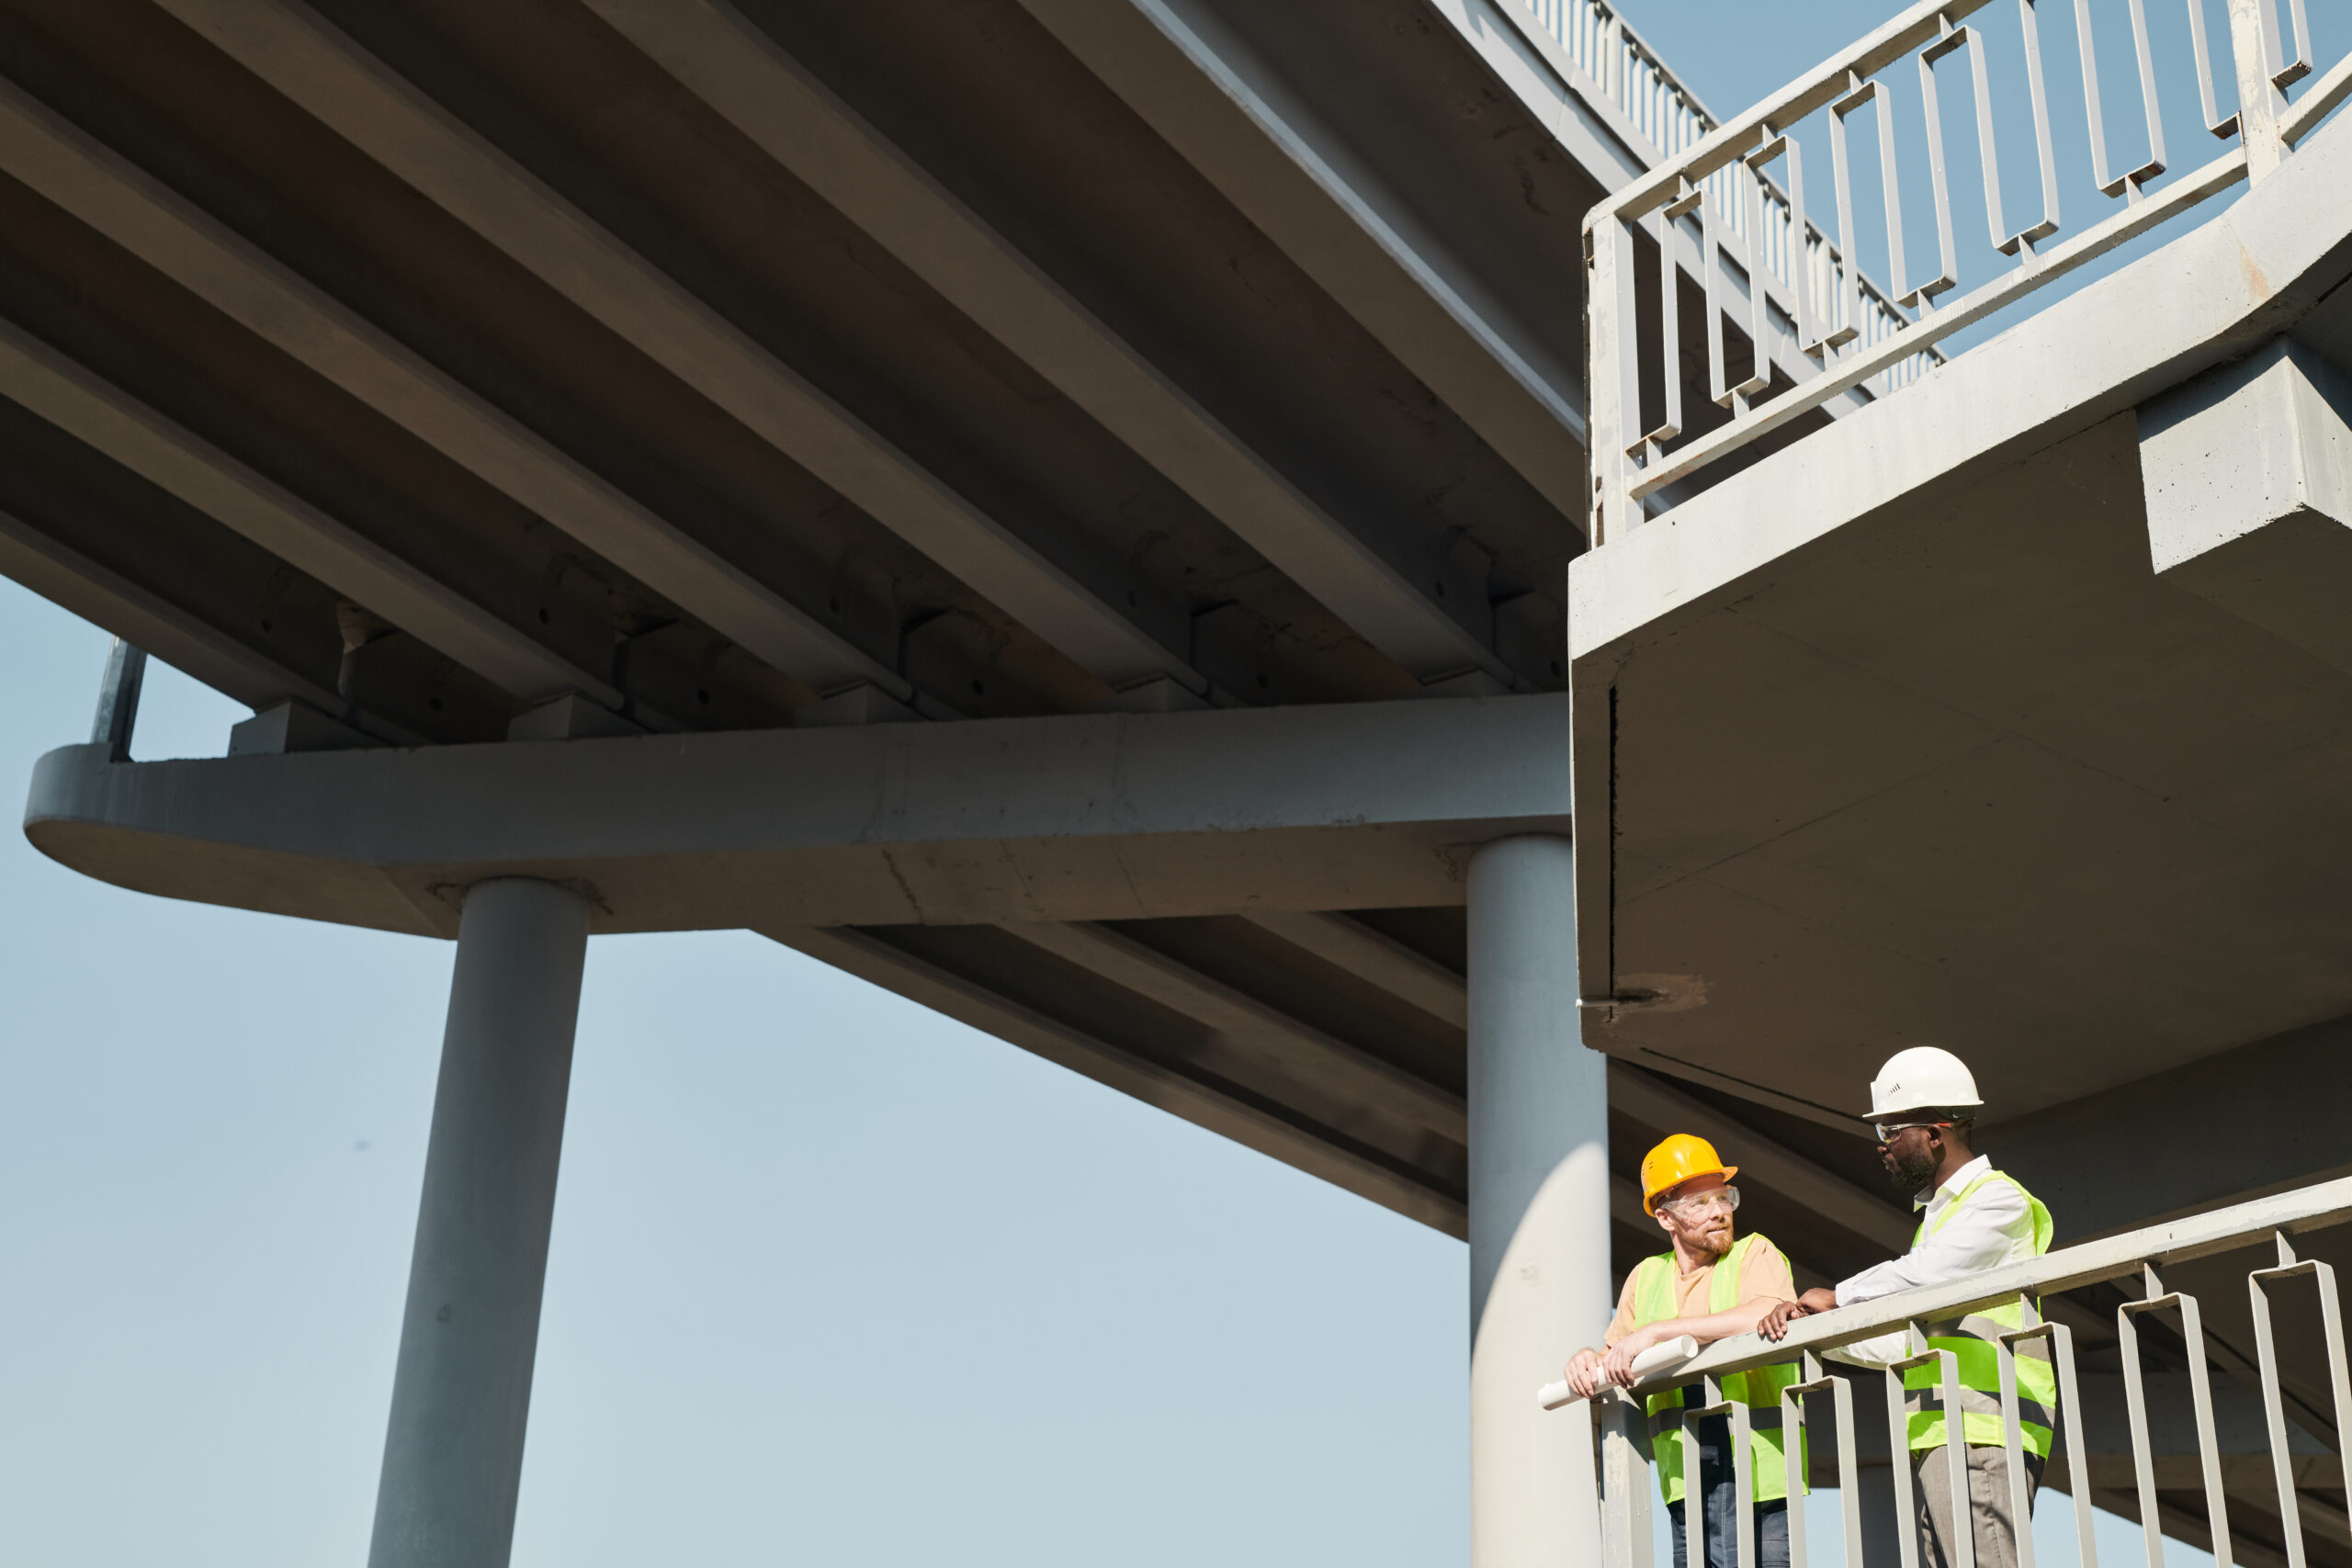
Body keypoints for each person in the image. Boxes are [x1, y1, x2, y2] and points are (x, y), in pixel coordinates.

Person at [1759, 1047, 2055, 1568]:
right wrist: (1825, 1331)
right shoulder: (1937, 1220)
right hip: (1943, 1431)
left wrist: (1841, 1296)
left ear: (1935, 1134)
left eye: (1890, 1132)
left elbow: (1926, 1276)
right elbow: (1906, 1342)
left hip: (1983, 1425)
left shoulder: (1996, 1201)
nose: (1881, 1147)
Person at [1562, 1134, 1804, 1568]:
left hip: (1759, 1473)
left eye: (1724, 1197)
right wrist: (1587, 1361)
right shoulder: (1647, 1277)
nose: (1719, 1212)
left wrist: (1658, 1332)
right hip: (1687, 1478)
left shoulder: (1755, 1252)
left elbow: (1766, 1313)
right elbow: (1617, 1354)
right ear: (1665, 1218)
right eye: (1700, 1203)